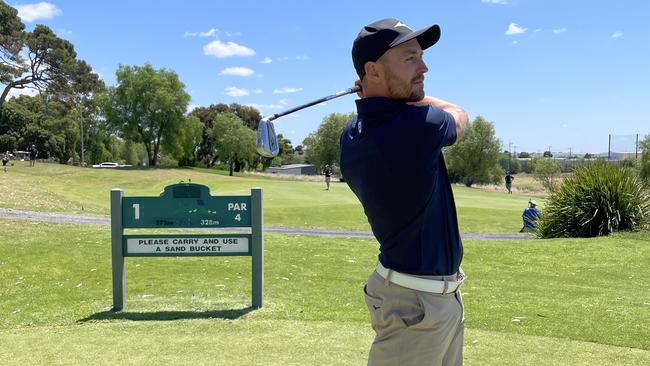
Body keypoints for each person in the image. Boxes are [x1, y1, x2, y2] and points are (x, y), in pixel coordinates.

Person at [340, 18, 469, 366]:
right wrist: (416, 97)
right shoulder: (418, 127)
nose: (424, 66)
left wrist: (376, 91)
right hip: (417, 309)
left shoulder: (352, 136)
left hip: (418, 298)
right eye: (410, 58)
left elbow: (381, 113)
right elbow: (459, 114)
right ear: (373, 70)